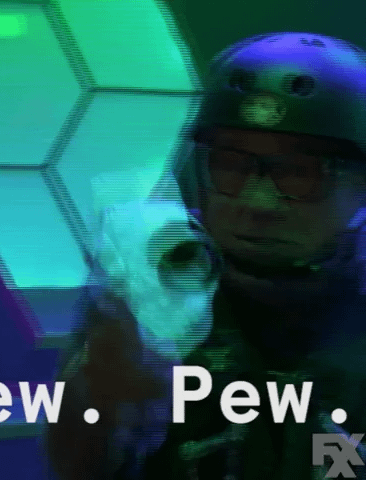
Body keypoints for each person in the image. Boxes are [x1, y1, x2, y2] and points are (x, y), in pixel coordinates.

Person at [45, 32, 366, 480]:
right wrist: (104, 388)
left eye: (299, 173)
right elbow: (75, 468)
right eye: (230, 165)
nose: (257, 201)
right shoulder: (152, 291)